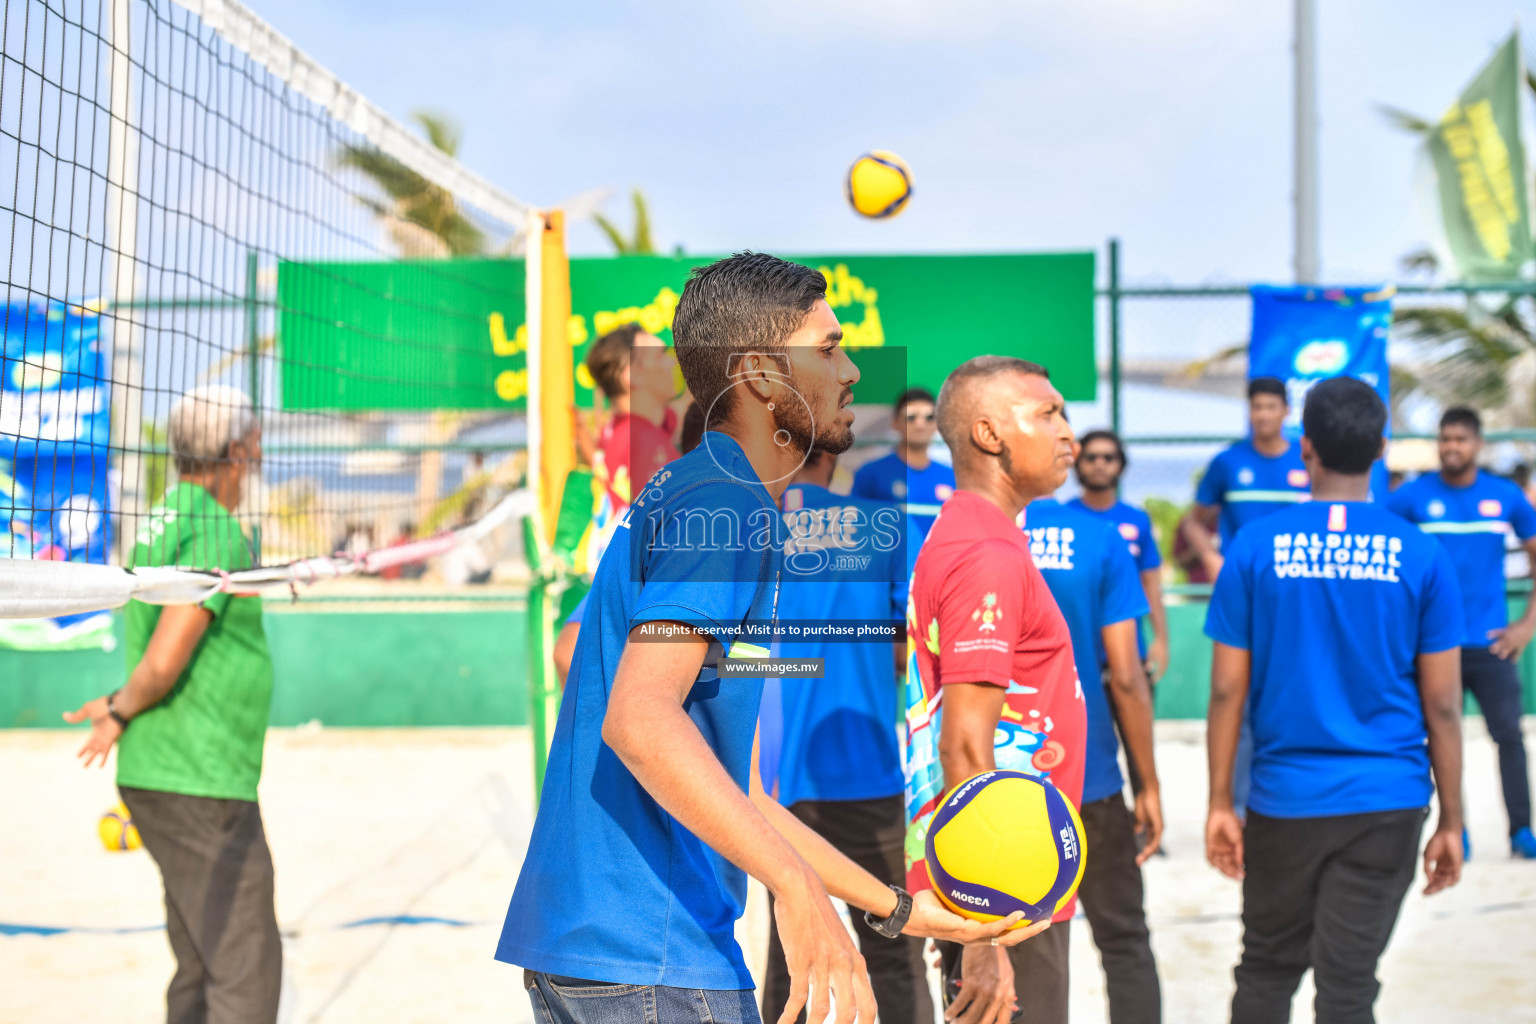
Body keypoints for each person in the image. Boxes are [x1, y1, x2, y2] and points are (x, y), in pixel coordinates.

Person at [496, 252, 1040, 1024]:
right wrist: (792, 889)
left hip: (610, 949)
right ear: (758, 373)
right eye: (828, 349)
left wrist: (898, 908)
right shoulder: (727, 502)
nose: (852, 370)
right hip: (649, 956)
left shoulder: (705, 492)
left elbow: (743, 792)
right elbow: (638, 718)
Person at [1204, 376, 1465, 1023]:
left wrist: (1217, 802)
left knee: (1265, 969)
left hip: (1284, 801)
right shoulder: (1422, 555)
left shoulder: (1256, 546)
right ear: (1381, 447)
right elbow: (1444, 707)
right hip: (1388, 802)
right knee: (1349, 987)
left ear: (1306, 447)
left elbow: (1226, 688)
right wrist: (1453, 820)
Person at [64, 385, 281, 1024]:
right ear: (234, 449)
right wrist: (121, 709)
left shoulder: (165, 512)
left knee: (201, 959)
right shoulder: (214, 526)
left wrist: (120, 705)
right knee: (245, 968)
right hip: (199, 777)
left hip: (165, 771)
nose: (259, 461)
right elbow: (166, 656)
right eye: (256, 447)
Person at [905, 356, 1085, 1024]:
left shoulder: (966, 534)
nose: (1069, 432)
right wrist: (986, 934)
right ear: (988, 434)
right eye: (1047, 414)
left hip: (992, 873)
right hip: (1004, 889)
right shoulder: (987, 553)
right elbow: (962, 745)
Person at [758, 450, 931, 1024]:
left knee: (791, 960)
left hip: (772, 781)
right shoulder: (886, 526)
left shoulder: (744, 529)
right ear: (832, 456)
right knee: (895, 949)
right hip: (866, 770)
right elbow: (912, 649)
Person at [1025, 497, 1163, 1024]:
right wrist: (1147, 785)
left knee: (1019, 947)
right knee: (1124, 936)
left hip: (996, 786)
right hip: (1090, 776)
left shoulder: (957, 533)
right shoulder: (1099, 537)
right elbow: (1127, 678)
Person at [1386, 406, 1536, 859]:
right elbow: (1380, 547)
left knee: (1509, 737)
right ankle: (1456, 827)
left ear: (1478, 444)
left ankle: (1521, 831)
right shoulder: (1412, 498)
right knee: (1437, 736)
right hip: (1434, 646)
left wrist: (1525, 627)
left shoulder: (1505, 495)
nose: (1452, 447)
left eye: (1461, 439)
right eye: (1445, 439)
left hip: (1492, 644)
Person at [1180, 376, 1309, 581]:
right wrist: (1210, 557)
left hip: (1295, 577)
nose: (1263, 415)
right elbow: (1194, 523)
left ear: (1287, 411)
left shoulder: (1306, 458)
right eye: (1257, 407)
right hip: (1242, 576)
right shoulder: (1227, 461)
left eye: (1271, 407)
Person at [1068, 429, 1171, 684]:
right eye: (1090, 458)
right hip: (1074, 651)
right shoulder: (1065, 517)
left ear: (1121, 466)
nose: (1099, 464)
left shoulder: (1137, 519)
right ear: (1077, 465)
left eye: (1108, 457)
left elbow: (1150, 583)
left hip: (1128, 650)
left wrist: (1160, 639)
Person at [583, 321, 682, 569]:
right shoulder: (643, 439)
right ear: (631, 375)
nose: (672, 361)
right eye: (661, 355)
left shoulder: (621, 427)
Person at [852, 387, 956, 545]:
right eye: (911, 417)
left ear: (937, 424)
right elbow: (855, 527)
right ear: (895, 423)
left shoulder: (952, 477)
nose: (920, 424)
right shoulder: (871, 473)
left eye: (929, 417)